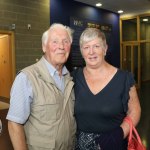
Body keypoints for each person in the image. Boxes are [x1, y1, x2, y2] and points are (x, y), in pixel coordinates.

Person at [6, 23, 76, 150]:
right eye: (55, 41)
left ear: (70, 47)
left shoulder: (69, 79)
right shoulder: (27, 78)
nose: (61, 46)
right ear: (44, 47)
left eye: (65, 42)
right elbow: (14, 124)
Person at [72, 28, 141, 150]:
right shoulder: (73, 78)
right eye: (86, 47)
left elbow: (135, 111)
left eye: (96, 46)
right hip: (80, 145)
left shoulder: (124, 78)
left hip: (113, 143)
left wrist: (120, 133)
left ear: (105, 49)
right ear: (81, 51)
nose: (91, 52)